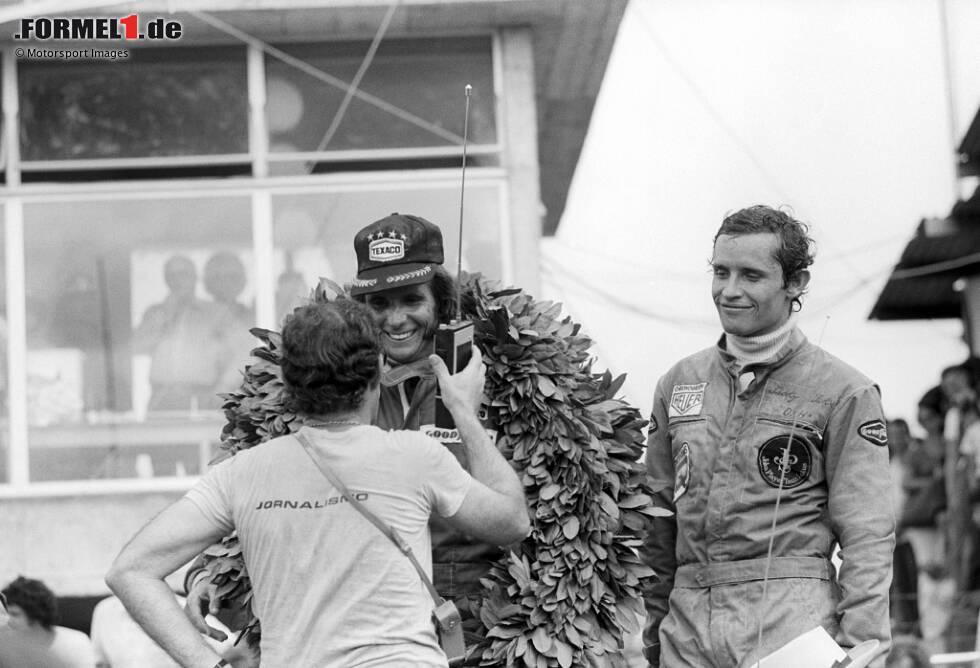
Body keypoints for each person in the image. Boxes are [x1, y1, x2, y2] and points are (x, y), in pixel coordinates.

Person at [106, 299, 529, 666]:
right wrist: (463, 411)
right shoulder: (414, 456)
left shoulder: (242, 473)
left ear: (288, 382)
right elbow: (512, 523)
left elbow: (131, 571)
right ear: (379, 369)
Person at [184, 213, 509, 652]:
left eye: (411, 300)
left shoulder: (501, 382)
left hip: (482, 615)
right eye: (379, 304)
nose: (395, 320)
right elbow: (256, 484)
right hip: (360, 617)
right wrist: (209, 571)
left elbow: (533, 512)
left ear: (442, 302)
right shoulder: (325, 382)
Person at [641, 205, 895, 667]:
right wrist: (656, 636)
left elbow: (867, 532)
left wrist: (864, 647)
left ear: (795, 283)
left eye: (751, 275)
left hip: (792, 631)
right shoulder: (679, 383)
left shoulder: (842, 390)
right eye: (721, 272)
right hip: (688, 630)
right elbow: (657, 528)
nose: (730, 290)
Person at [132, 254, 227, 411]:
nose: (178, 280)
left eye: (184, 274)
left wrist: (223, 387)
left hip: (203, 397)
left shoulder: (215, 313)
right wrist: (165, 318)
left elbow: (236, 352)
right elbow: (137, 347)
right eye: (172, 275)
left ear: (195, 277)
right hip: (164, 396)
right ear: (166, 280)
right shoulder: (155, 313)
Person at [0, 575, 97, 668]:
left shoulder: (74, 644)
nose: (8, 621)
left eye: (14, 614)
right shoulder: (7, 648)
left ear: (36, 616)